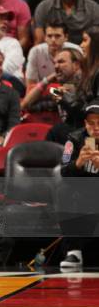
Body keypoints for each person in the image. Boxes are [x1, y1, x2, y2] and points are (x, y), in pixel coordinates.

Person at [58, 99, 99, 270]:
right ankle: (74, 251)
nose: (96, 127)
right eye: (91, 123)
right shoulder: (72, 140)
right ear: (85, 123)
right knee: (63, 189)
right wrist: (79, 162)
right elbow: (63, 170)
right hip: (83, 192)